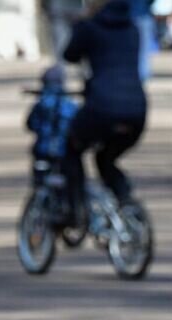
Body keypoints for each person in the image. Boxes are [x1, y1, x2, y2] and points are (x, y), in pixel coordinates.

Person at [62, 0, 147, 226]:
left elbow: (69, 54)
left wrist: (79, 26)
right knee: (105, 157)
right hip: (136, 109)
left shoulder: (89, 27)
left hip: (102, 106)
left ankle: (76, 207)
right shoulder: (133, 28)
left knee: (71, 148)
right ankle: (125, 199)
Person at [26, 64, 79, 166]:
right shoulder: (70, 104)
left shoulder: (41, 104)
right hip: (65, 150)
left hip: (42, 150)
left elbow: (31, 124)